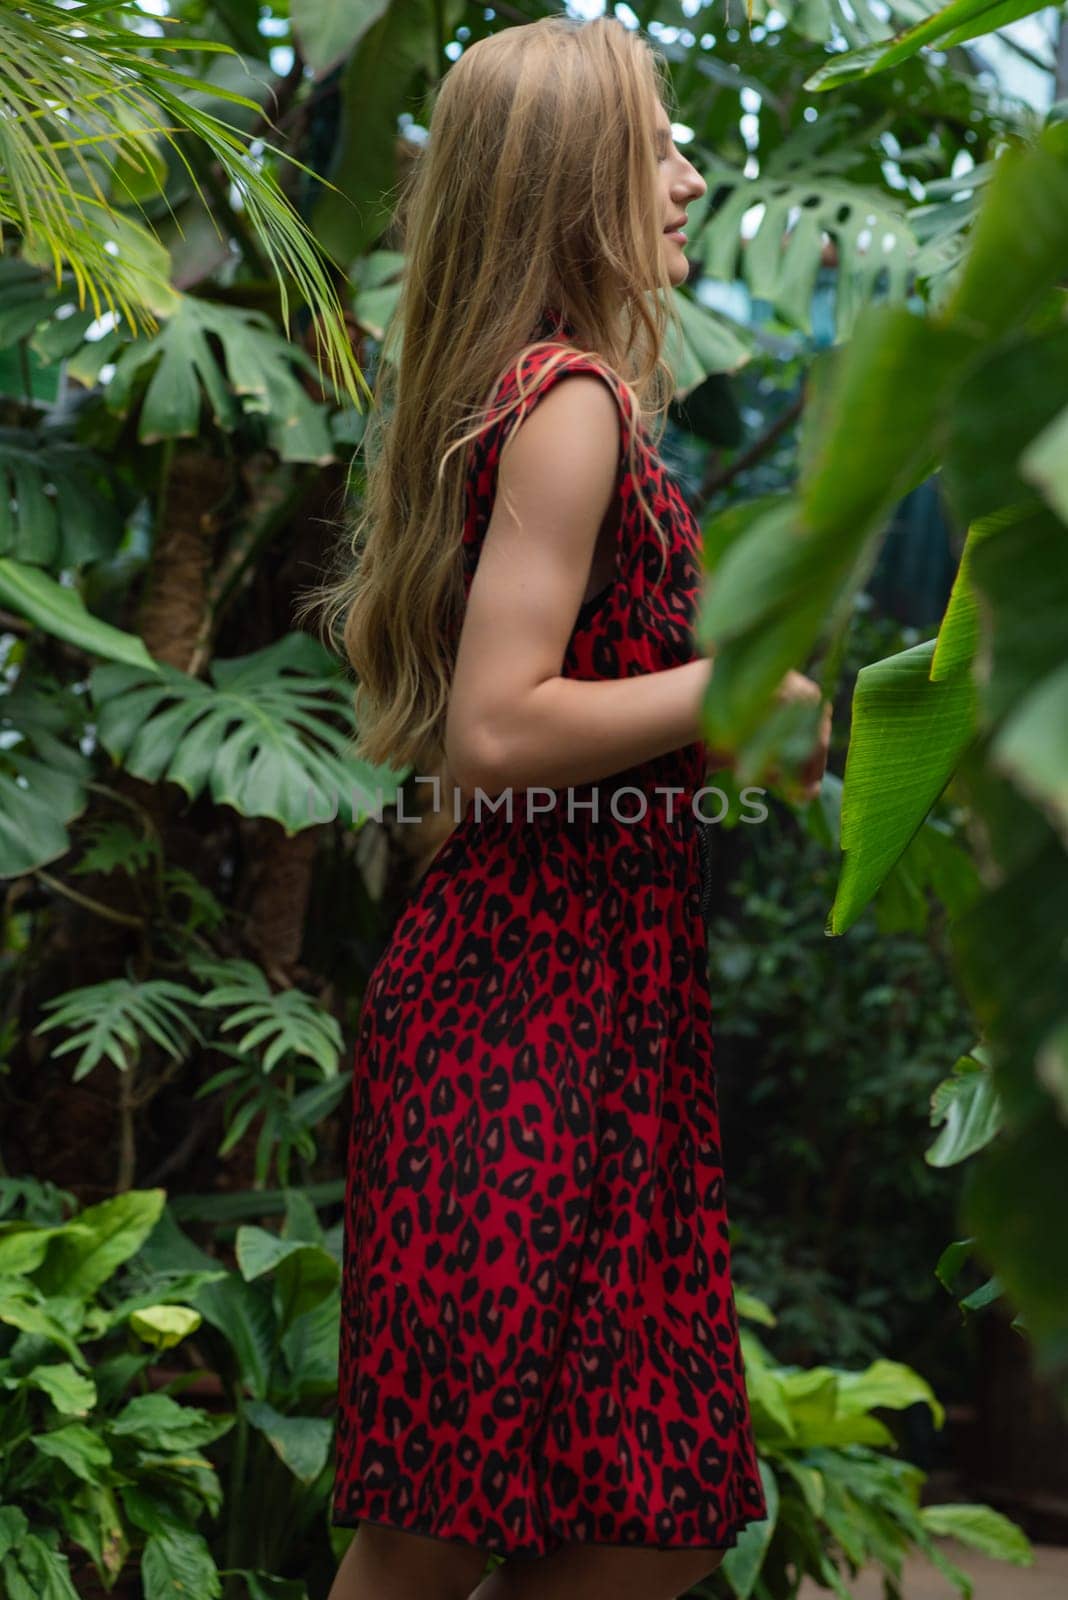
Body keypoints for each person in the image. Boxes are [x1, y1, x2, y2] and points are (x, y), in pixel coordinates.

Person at [307, 16, 831, 1600]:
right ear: (573, 179)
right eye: (657, 145)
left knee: (647, 1516)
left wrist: (724, 738)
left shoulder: (566, 400)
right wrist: (733, 696)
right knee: (433, 1531)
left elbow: (574, 722)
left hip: (606, 1016)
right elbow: (494, 728)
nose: (684, 178)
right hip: (519, 1016)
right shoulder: (570, 400)